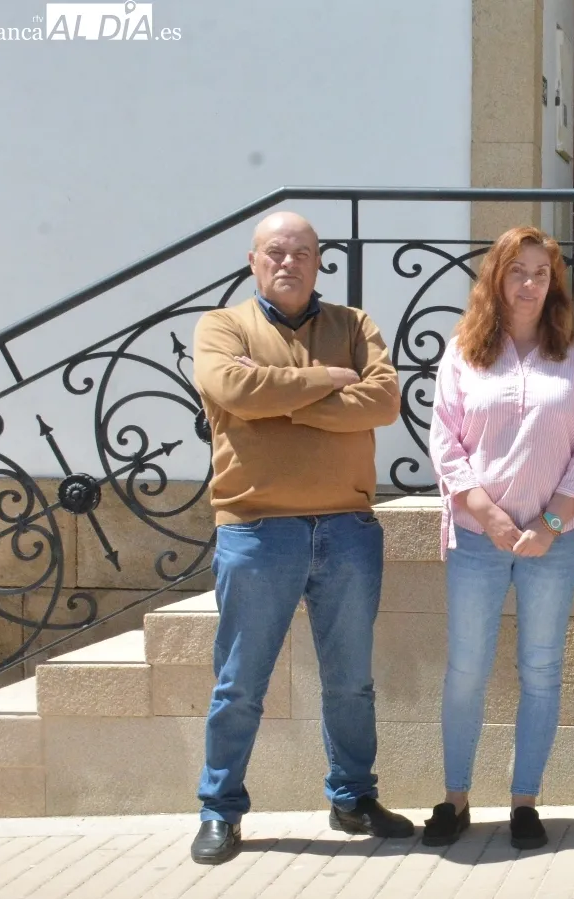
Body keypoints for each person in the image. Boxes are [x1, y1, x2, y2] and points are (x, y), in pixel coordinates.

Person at [189, 211, 409, 865]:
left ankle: (353, 797)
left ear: (319, 260)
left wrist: (273, 400)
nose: (289, 262)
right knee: (240, 684)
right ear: (254, 260)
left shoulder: (354, 325)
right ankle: (220, 809)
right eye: (276, 252)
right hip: (257, 530)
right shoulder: (222, 326)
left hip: (346, 527)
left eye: (302, 252)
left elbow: (383, 402)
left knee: (351, 683)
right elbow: (232, 387)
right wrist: (330, 381)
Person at [423, 226, 574, 851]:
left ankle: (525, 801)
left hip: (552, 542)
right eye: (517, 271)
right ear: (495, 279)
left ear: (554, 283)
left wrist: (549, 524)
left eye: (540, 273)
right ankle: (455, 799)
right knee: (466, 670)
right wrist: (492, 517)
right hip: (479, 537)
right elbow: (445, 442)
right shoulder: (464, 351)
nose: (529, 284)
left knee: (542, 670)